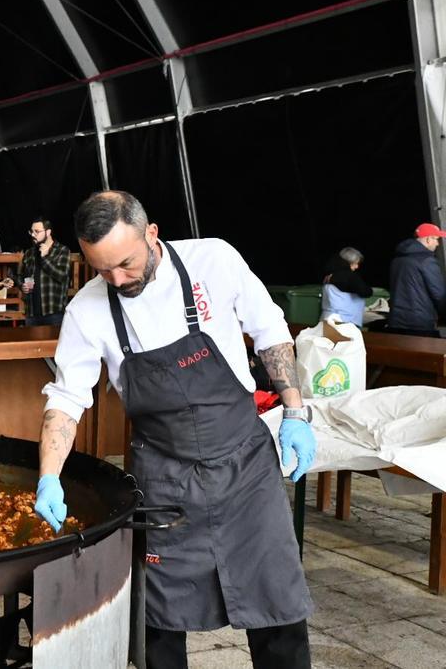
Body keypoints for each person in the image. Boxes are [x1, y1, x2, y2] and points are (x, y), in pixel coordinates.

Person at [34, 191, 315, 669]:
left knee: (277, 604)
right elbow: (66, 399)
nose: (117, 279)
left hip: (244, 464)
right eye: (102, 270)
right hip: (164, 473)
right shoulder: (86, 310)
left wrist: (294, 412)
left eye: (126, 263)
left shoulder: (214, 260)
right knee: (158, 620)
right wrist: (49, 475)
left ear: (151, 233)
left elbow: (270, 331)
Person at [386, 222, 446, 337]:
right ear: (428, 239)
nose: (437, 244)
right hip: (420, 323)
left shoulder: (397, 260)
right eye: (436, 239)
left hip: (396, 320)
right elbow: (439, 294)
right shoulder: (427, 261)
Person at [19, 218, 71, 326]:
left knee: (54, 343)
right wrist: (21, 285)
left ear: (48, 232)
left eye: (37, 231)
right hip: (32, 313)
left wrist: (45, 257)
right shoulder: (29, 253)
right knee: (31, 343)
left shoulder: (62, 250)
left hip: (54, 312)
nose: (33, 234)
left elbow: (62, 276)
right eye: (31, 231)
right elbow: (21, 275)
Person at [320, 246, 371, 326]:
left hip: (326, 318)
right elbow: (366, 292)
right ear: (349, 261)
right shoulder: (349, 276)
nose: (357, 267)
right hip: (346, 321)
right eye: (355, 263)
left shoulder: (328, 274)